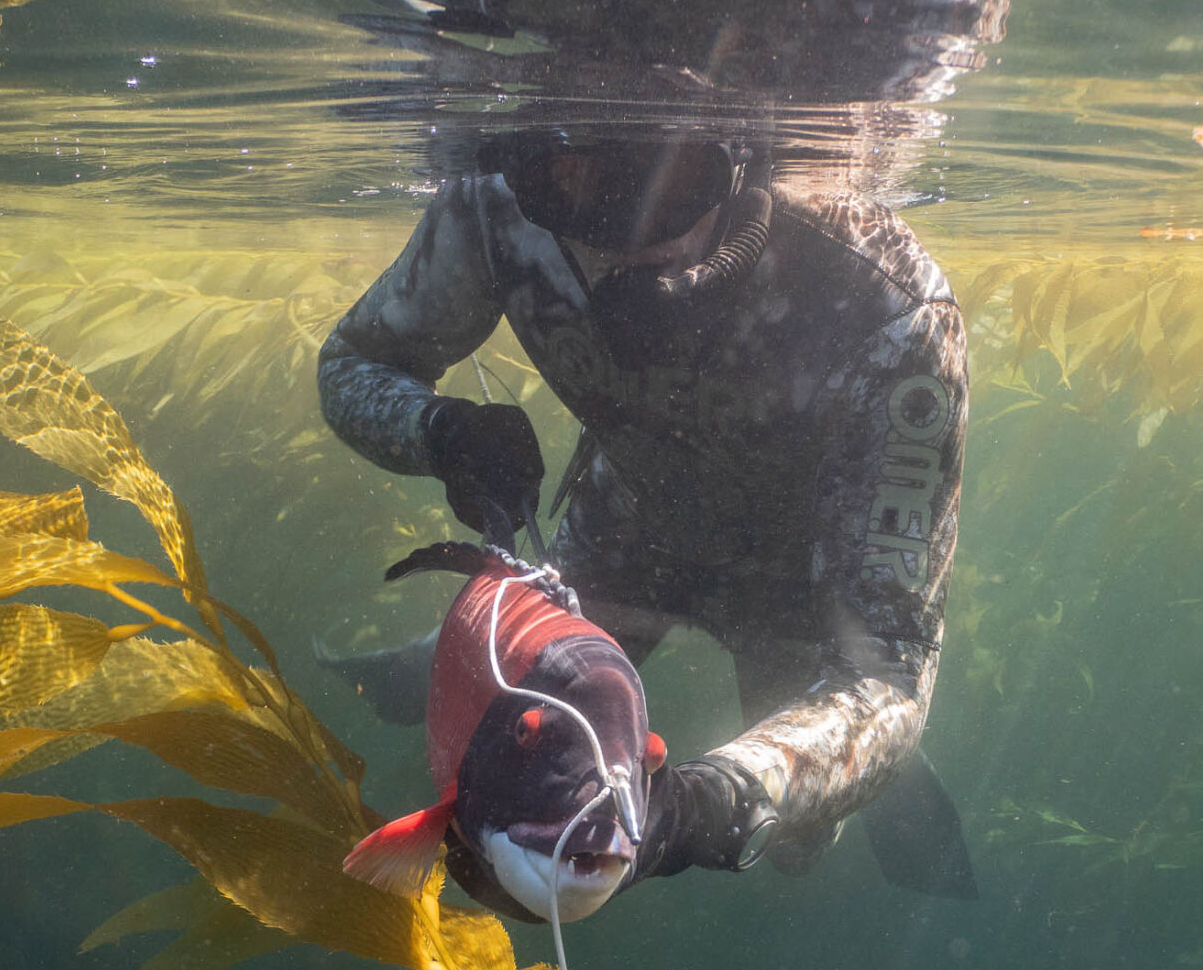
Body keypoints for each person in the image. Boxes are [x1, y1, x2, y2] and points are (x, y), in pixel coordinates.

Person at [317, 132, 972, 918]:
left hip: (799, 592)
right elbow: (352, 362)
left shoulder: (885, 306)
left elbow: (888, 673)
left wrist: (706, 808)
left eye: (664, 187)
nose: (611, 239)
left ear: (739, 167)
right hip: (628, 527)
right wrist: (441, 433)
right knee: (497, 713)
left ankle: (857, 803)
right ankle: (422, 676)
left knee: (797, 849)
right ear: (526, 170)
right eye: (562, 183)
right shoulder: (495, 206)